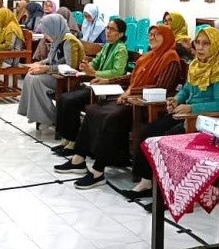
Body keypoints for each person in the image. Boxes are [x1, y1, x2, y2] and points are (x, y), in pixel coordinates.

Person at [54, 25, 181, 189]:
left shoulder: (170, 59)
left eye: (157, 35)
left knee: (110, 118)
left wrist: (131, 93)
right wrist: (108, 81)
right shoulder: (148, 56)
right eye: (150, 34)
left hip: (144, 105)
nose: (151, 37)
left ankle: (98, 171)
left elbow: (161, 88)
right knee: (94, 111)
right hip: (129, 98)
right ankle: (78, 159)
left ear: (167, 37)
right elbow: (131, 78)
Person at [128, 27, 219, 198]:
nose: (200, 47)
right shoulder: (195, 65)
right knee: (148, 132)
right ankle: (147, 180)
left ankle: (168, 191)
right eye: (197, 43)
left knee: (167, 139)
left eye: (206, 44)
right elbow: (186, 90)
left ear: (215, 46)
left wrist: (191, 108)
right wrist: (177, 100)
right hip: (186, 114)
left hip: (205, 121)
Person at [51, 19, 129, 155]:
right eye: (107, 28)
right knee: (64, 97)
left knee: (71, 101)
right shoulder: (107, 46)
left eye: (112, 29)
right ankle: (66, 138)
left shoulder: (120, 49)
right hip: (96, 84)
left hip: (108, 87)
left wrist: (94, 73)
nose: (108, 31)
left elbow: (118, 72)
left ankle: (73, 142)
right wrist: (87, 66)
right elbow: (96, 62)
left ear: (121, 34)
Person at [17, 15, 84, 127]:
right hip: (57, 74)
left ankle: (52, 116)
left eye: (46, 32)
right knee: (30, 75)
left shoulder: (69, 41)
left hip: (68, 79)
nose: (45, 35)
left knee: (37, 81)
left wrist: (48, 68)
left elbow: (70, 66)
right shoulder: (58, 38)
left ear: (54, 28)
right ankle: (37, 114)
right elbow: (51, 59)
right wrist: (40, 63)